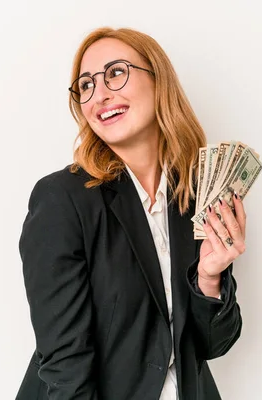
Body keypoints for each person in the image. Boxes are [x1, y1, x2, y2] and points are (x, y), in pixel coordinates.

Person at [16, 27, 246, 400]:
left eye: (116, 73)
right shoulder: (62, 199)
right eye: (86, 85)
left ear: (160, 82)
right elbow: (65, 365)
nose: (100, 94)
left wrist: (210, 276)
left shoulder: (192, 197)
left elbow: (210, 346)